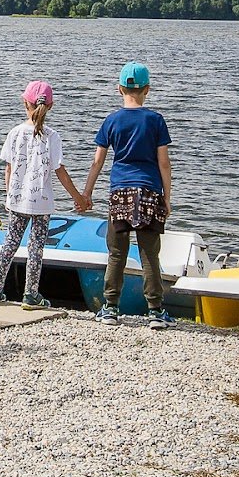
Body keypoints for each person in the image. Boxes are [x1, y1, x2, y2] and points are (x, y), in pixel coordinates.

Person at [81, 62, 174, 328]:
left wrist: (87, 192)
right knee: (149, 254)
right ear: (147, 89)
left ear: (119, 88)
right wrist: (167, 197)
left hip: (120, 192)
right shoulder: (155, 120)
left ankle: (110, 307)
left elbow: (97, 162)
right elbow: (164, 163)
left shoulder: (111, 121)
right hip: (149, 191)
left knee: (116, 253)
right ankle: (155, 311)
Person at [0, 80, 87, 308]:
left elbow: (9, 168)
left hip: (17, 199)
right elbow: (60, 171)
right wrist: (78, 197)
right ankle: (31, 294)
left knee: (9, 243)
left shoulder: (15, 133)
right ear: (50, 106)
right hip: (41, 201)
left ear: (25, 103)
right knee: (36, 248)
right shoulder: (52, 136)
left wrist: (8, 196)